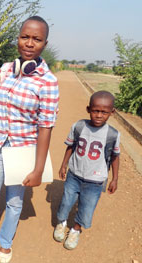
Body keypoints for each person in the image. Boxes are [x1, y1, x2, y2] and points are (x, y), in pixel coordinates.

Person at [0, 16, 59, 263]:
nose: (29, 43)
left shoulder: (48, 82)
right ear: (18, 38)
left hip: (22, 150)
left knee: (14, 202)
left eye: (36, 39)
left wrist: (38, 169)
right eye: (24, 37)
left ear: (44, 43)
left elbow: (46, 127)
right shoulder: (7, 68)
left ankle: (5, 242)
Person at [53, 90, 120, 250]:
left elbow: (115, 156)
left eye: (104, 112)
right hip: (74, 175)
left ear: (112, 112)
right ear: (88, 109)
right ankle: (62, 222)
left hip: (95, 181)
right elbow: (71, 147)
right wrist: (64, 165)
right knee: (66, 201)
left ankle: (76, 229)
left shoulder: (113, 134)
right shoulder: (79, 126)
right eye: (96, 110)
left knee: (87, 207)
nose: (99, 115)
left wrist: (115, 178)